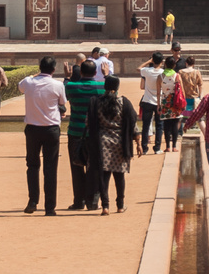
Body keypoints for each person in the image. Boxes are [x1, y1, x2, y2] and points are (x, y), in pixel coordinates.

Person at [83, 75, 138, 214]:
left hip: (102, 143)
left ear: (105, 86)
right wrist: (138, 142)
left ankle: (105, 206)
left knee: (104, 176)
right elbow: (133, 124)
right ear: (117, 87)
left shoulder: (96, 102)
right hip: (120, 142)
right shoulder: (124, 102)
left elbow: (88, 123)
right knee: (119, 176)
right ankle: (120, 205)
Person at [20, 56, 68, 215]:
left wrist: (34, 75)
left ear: (39, 67)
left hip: (33, 129)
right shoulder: (58, 85)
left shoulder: (28, 82)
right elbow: (62, 103)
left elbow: (21, 85)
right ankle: (50, 207)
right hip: (51, 129)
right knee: (50, 168)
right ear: (54, 70)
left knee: (32, 166)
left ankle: (33, 201)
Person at [64, 60, 104, 210]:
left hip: (75, 131)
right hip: (95, 133)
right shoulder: (101, 87)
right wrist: (106, 76)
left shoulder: (71, 87)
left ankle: (78, 201)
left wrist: (67, 77)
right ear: (95, 73)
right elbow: (114, 92)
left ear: (80, 72)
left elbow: (63, 93)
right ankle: (93, 201)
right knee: (94, 167)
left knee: (76, 167)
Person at [138, 51, 163, 153]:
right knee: (159, 125)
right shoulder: (162, 72)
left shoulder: (147, 71)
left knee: (146, 125)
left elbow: (138, 68)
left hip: (147, 101)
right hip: (159, 101)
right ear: (161, 61)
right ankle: (157, 148)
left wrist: (149, 61)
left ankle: (144, 148)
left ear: (153, 60)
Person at [158, 57, 184, 152]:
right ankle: (174, 146)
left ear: (165, 65)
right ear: (174, 65)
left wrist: (158, 104)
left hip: (165, 101)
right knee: (175, 123)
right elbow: (181, 90)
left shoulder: (160, 76)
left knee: (166, 124)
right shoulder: (177, 76)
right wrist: (183, 101)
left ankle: (168, 147)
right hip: (175, 102)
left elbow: (158, 92)